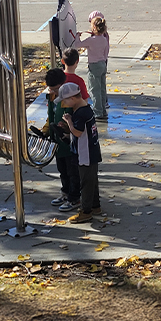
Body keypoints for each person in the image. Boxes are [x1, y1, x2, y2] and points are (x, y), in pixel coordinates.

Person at [58, 82, 103, 223]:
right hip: (91, 151)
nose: (64, 104)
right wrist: (68, 135)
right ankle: (95, 205)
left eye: (65, 100)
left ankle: (86, 211)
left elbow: (78, 132)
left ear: (72, 98)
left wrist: (69, 122)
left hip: (86, 154)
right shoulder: (86, 109)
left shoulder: (80, 113)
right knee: (92, 181)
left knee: (85, 183)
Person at [40, 69, 81, 212]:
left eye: (56, 89)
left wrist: (68, 129)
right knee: (62, 169)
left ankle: (74, 197)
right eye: (51, 89)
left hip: (69, 142)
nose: (54, 92)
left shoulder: (69, 100)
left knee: (72, 171)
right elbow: (50, 116)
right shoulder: (52, 98)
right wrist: (45, 130)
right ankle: (65, 192)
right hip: (57, 141)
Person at [75, 15, 109, 120]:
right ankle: (103, 109)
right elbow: (106, 52)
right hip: (103, 63)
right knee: (102, 88)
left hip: (94, 65)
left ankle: (97, 111)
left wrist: (77, 36)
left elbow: (77, 44)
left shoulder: (91, 40)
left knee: (94, 89)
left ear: (93, 28)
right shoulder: (104, 39)